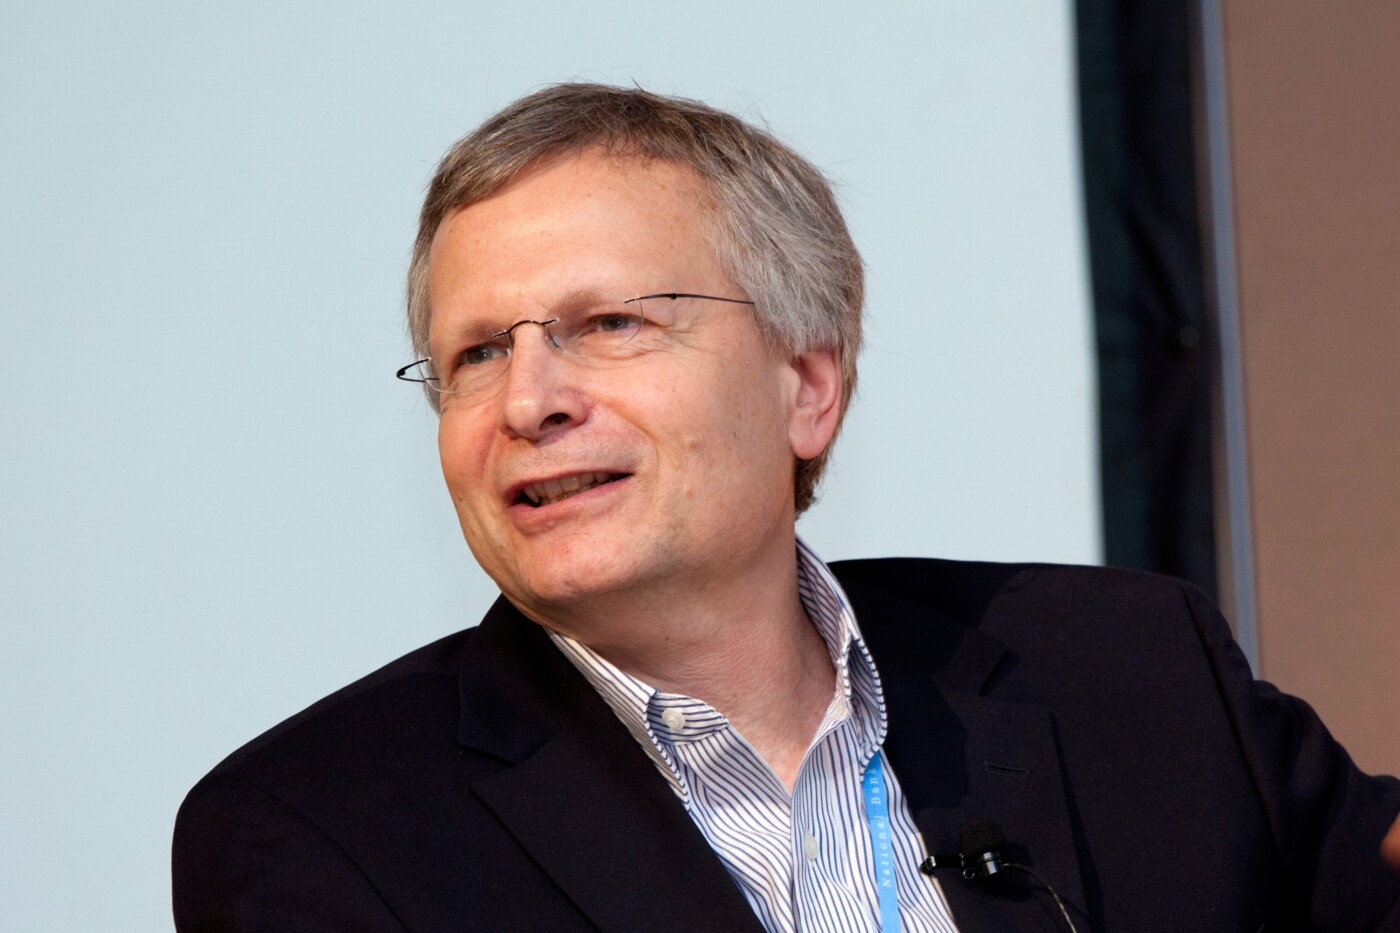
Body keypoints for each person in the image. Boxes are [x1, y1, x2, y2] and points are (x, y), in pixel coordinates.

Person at [172, 83, 1400, 933]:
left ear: (808, 387)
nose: (529, 399)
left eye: (609, 323)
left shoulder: (1124, 668)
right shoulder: (318, 833)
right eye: (476, 353)